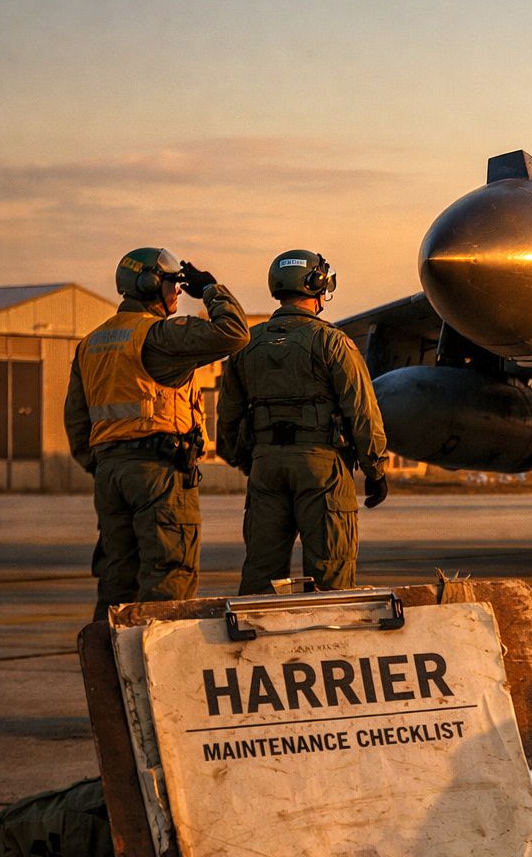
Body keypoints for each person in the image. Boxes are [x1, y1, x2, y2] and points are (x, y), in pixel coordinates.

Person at [65, 248, 249, 621]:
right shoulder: (158, 336)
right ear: (150, 284)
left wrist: (106, 464)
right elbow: (234, 332)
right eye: (171, 283)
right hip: (159, 473)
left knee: (118, 581)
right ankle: (158, 657)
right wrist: (210, 289)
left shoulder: (91, 343)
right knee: (169, 578)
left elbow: (77, 422)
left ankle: (111, 657)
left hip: (110, 475)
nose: (177, 291)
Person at [217, 250, 388, 595]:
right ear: (315, 285)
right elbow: (362, 410)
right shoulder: (332, 342)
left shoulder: (247, 345)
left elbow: (228, 417)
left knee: (261, 574)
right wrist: (375, 469)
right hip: (321, 469)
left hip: (266, 466)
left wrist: (248, 459)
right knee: (331, 574)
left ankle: (255, 630)